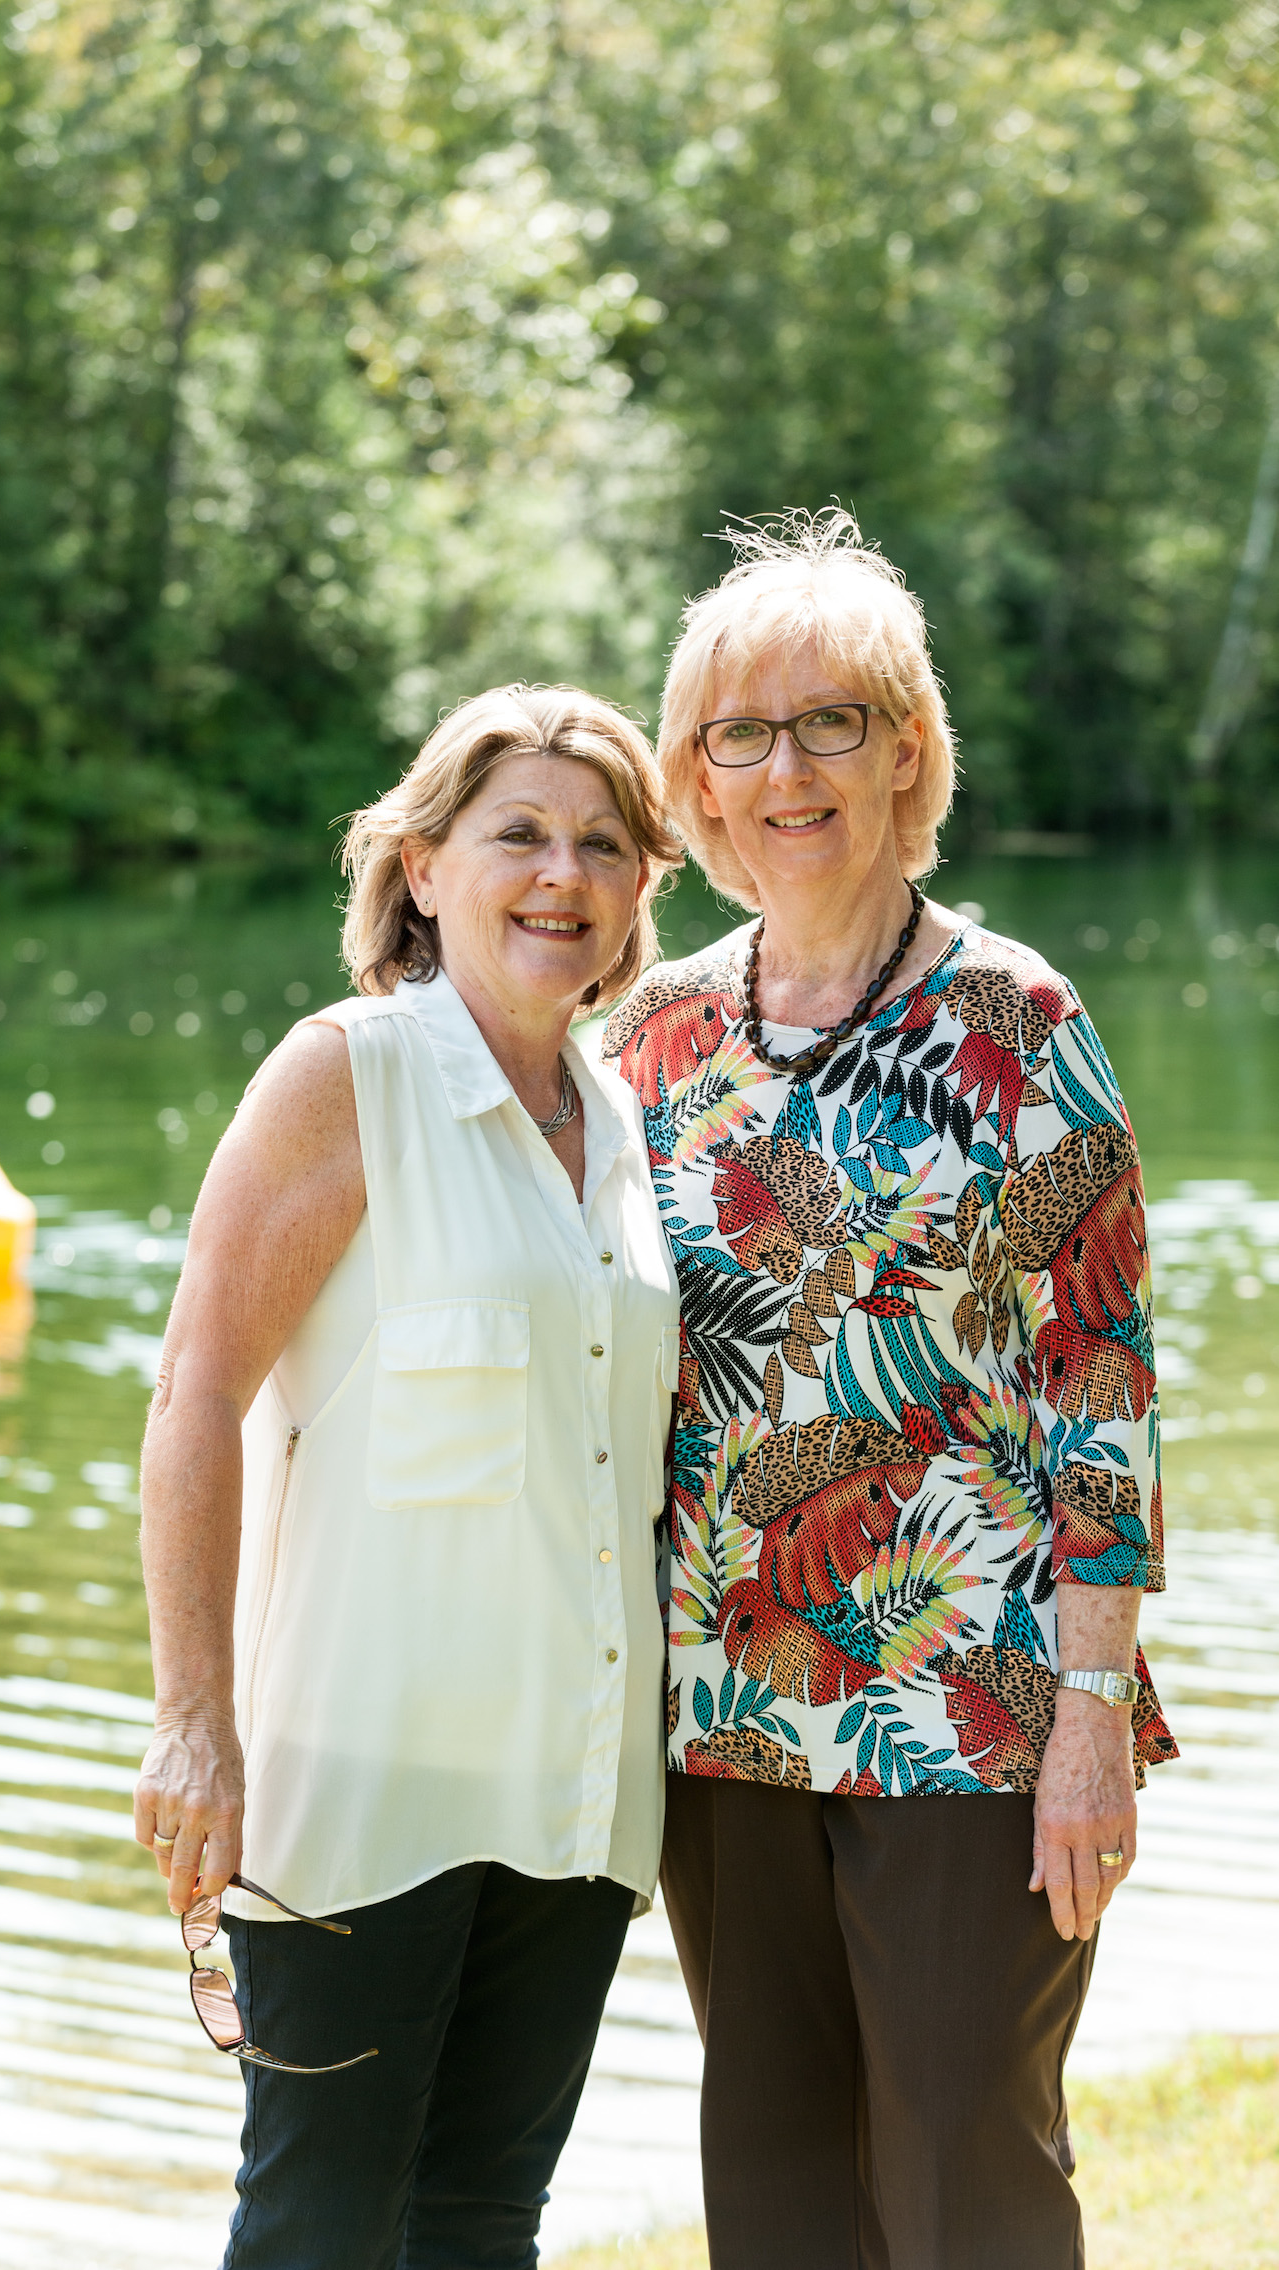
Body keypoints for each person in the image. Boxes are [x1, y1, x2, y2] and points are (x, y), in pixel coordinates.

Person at [602, 511, 1178, 2270]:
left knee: (957, 2166)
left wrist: (1093, 1710)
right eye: (739, 735)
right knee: (771, 2168)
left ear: (906, 749)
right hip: (724, 1701)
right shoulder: (656, 1033)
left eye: (829, 723)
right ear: (696, 780)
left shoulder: (1015, 1019)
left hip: (976, 1699)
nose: (784, 771)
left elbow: (1101, 1382)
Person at [134, 685, 682, 2269]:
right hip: (363, 1786)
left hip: (574, 1797)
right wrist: (192, 1718)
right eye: (519, 834)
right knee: (318, 2224)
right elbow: (195, 1393)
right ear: (424, 866)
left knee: (483, 2225)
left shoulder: (621, 1118)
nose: (562, 874)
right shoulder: (346, 1074)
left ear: (639, 886)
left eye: (601, 844)